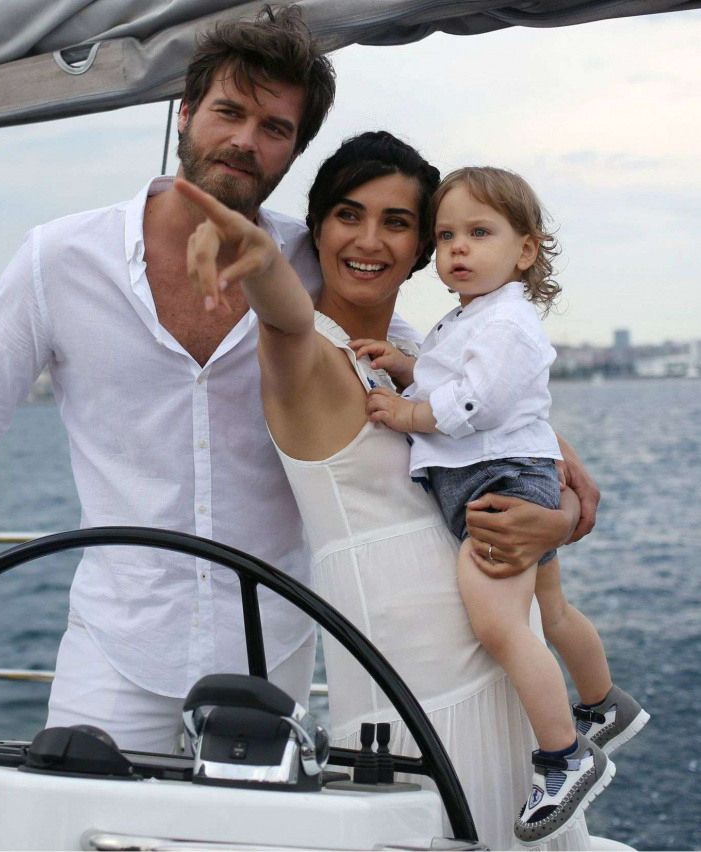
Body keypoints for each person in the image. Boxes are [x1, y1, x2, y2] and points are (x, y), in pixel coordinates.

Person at [0, 5, 600, 763]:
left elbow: (436, 368)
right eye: (229, 111)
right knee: (79, 812)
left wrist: (552, 461)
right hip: (116, 642)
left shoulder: (310, 262)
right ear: (185, 110)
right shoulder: (59, 258)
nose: (245, 140)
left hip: (271, 641)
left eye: (274, 128)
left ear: (293, 150)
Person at [177, 132, 598, 849]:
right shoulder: (308, 355)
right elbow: (283, 316)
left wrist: (554, 522)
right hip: (409, 696)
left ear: (422, 247)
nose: (369, 240)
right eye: (348, 215)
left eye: (396, 222)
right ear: (316, 229)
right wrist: (261, 261)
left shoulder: (435, 360)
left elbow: (534, 468)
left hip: (506, 668)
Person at [359, 166, 648, 844]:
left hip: (495, 484)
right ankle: (605, 704)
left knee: (500, 625)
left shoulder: (508, 321)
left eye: (479, 233)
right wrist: (405, 366)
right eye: (445, 236)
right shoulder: (474, 316)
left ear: (524, 250)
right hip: (509, 475)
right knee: (551, 609)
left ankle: (564, 755)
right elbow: (453, 374)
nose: (457, 247)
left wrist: (407, 412)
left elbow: (474, 400)